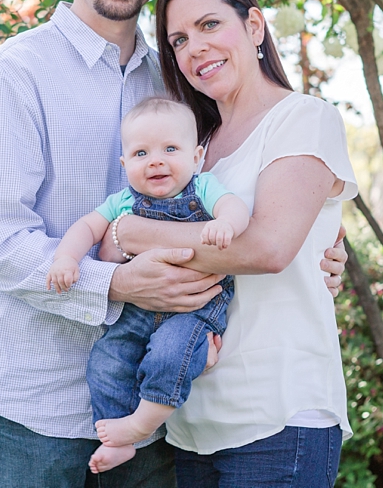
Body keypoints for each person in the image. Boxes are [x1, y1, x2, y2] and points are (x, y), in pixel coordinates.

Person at [0, 0, 347, 488]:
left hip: (158, 407)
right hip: (36, 400)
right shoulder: (13, 74)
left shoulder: (180, 81)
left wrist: (323, 248)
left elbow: (262, 194)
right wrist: (119, 281)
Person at [105, 0, 357, 486]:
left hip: (279, 417)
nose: (194, 47)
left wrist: (137, 234)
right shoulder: (193, 147)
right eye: (178, 39)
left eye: (210, 25)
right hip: (193, 423)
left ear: (255, 27)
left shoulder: (304, 118)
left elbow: (267, 247)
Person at [45, 97, 249, 474]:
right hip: (138, 309)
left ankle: (141, 424)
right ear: (125, 166)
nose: (156, 160)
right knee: (107, 361)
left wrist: (226, 224)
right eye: (141, 153)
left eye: (170, 149)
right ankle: (117, 440)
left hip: (195, 307)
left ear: (196, 155)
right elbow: (87, 228)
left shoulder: (203, 188)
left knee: (170, 355)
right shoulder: (123, 201)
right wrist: (66, 258)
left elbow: (234, 207)